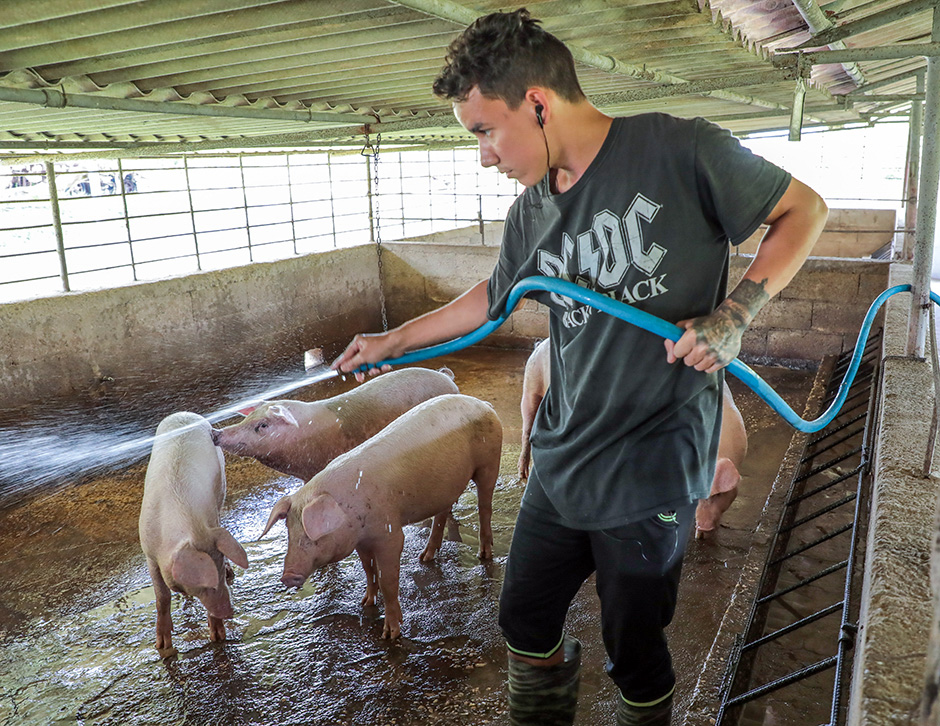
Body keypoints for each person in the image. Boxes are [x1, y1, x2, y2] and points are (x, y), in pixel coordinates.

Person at [333, 8, 828, 726]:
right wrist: (393, 340)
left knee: (635, 645)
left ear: (537, 103)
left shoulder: (681, 150)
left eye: (485, 131)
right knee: (523, 620)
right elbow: (496, 295)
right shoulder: (530, 213)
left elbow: (804, 210)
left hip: (653, 463)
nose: (484, 156)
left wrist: (736, 314)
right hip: (563, 459)